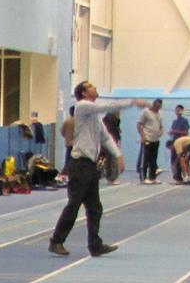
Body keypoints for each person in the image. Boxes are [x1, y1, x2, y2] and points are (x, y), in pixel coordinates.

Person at [48, 83, 146, 258]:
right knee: (74, 204)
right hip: (79, 165)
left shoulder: (95, 118)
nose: (94, 88)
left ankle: (95, 245)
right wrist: (132, 102)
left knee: (95, 208)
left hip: (90, 166)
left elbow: (106, 138)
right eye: (91, 87)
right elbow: (106, 106)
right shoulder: (83, 106)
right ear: (84, 93)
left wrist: (118, 155)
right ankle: (56, 241)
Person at [136, 99, 164, 184]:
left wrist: (161, 131)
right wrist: (143, 136)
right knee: (145, 159)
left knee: (153, 160)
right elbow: (139, 125)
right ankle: (143, 178)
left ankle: (152, 177)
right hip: (147, 138)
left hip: (156, 139)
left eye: (159, 107)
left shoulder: (160, 113)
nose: (158, 109)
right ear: (153, 105)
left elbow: (160, 125)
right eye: (156, 107)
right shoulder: (145, 112)